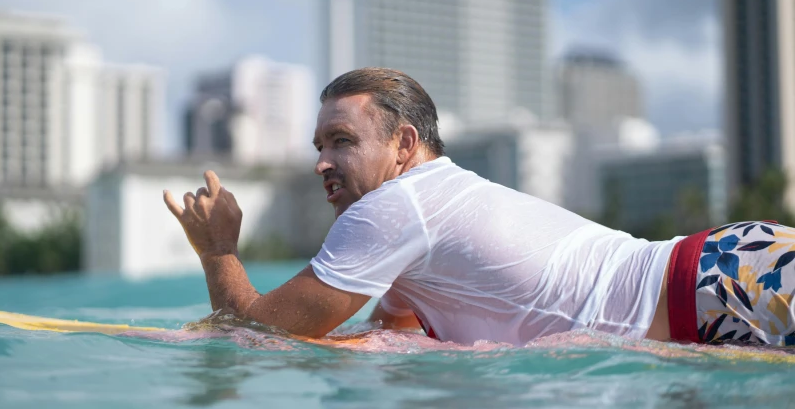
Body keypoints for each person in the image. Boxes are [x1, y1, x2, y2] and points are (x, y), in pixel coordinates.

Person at [164, 67, 795, 346]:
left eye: (342, 142)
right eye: (319, 144)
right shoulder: (439, 197)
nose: (321, 162)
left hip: (716, 292)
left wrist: (217, 252)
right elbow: (396, 328)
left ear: (404, 144)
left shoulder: (390, 210)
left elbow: (261, 331)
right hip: (727, 266)